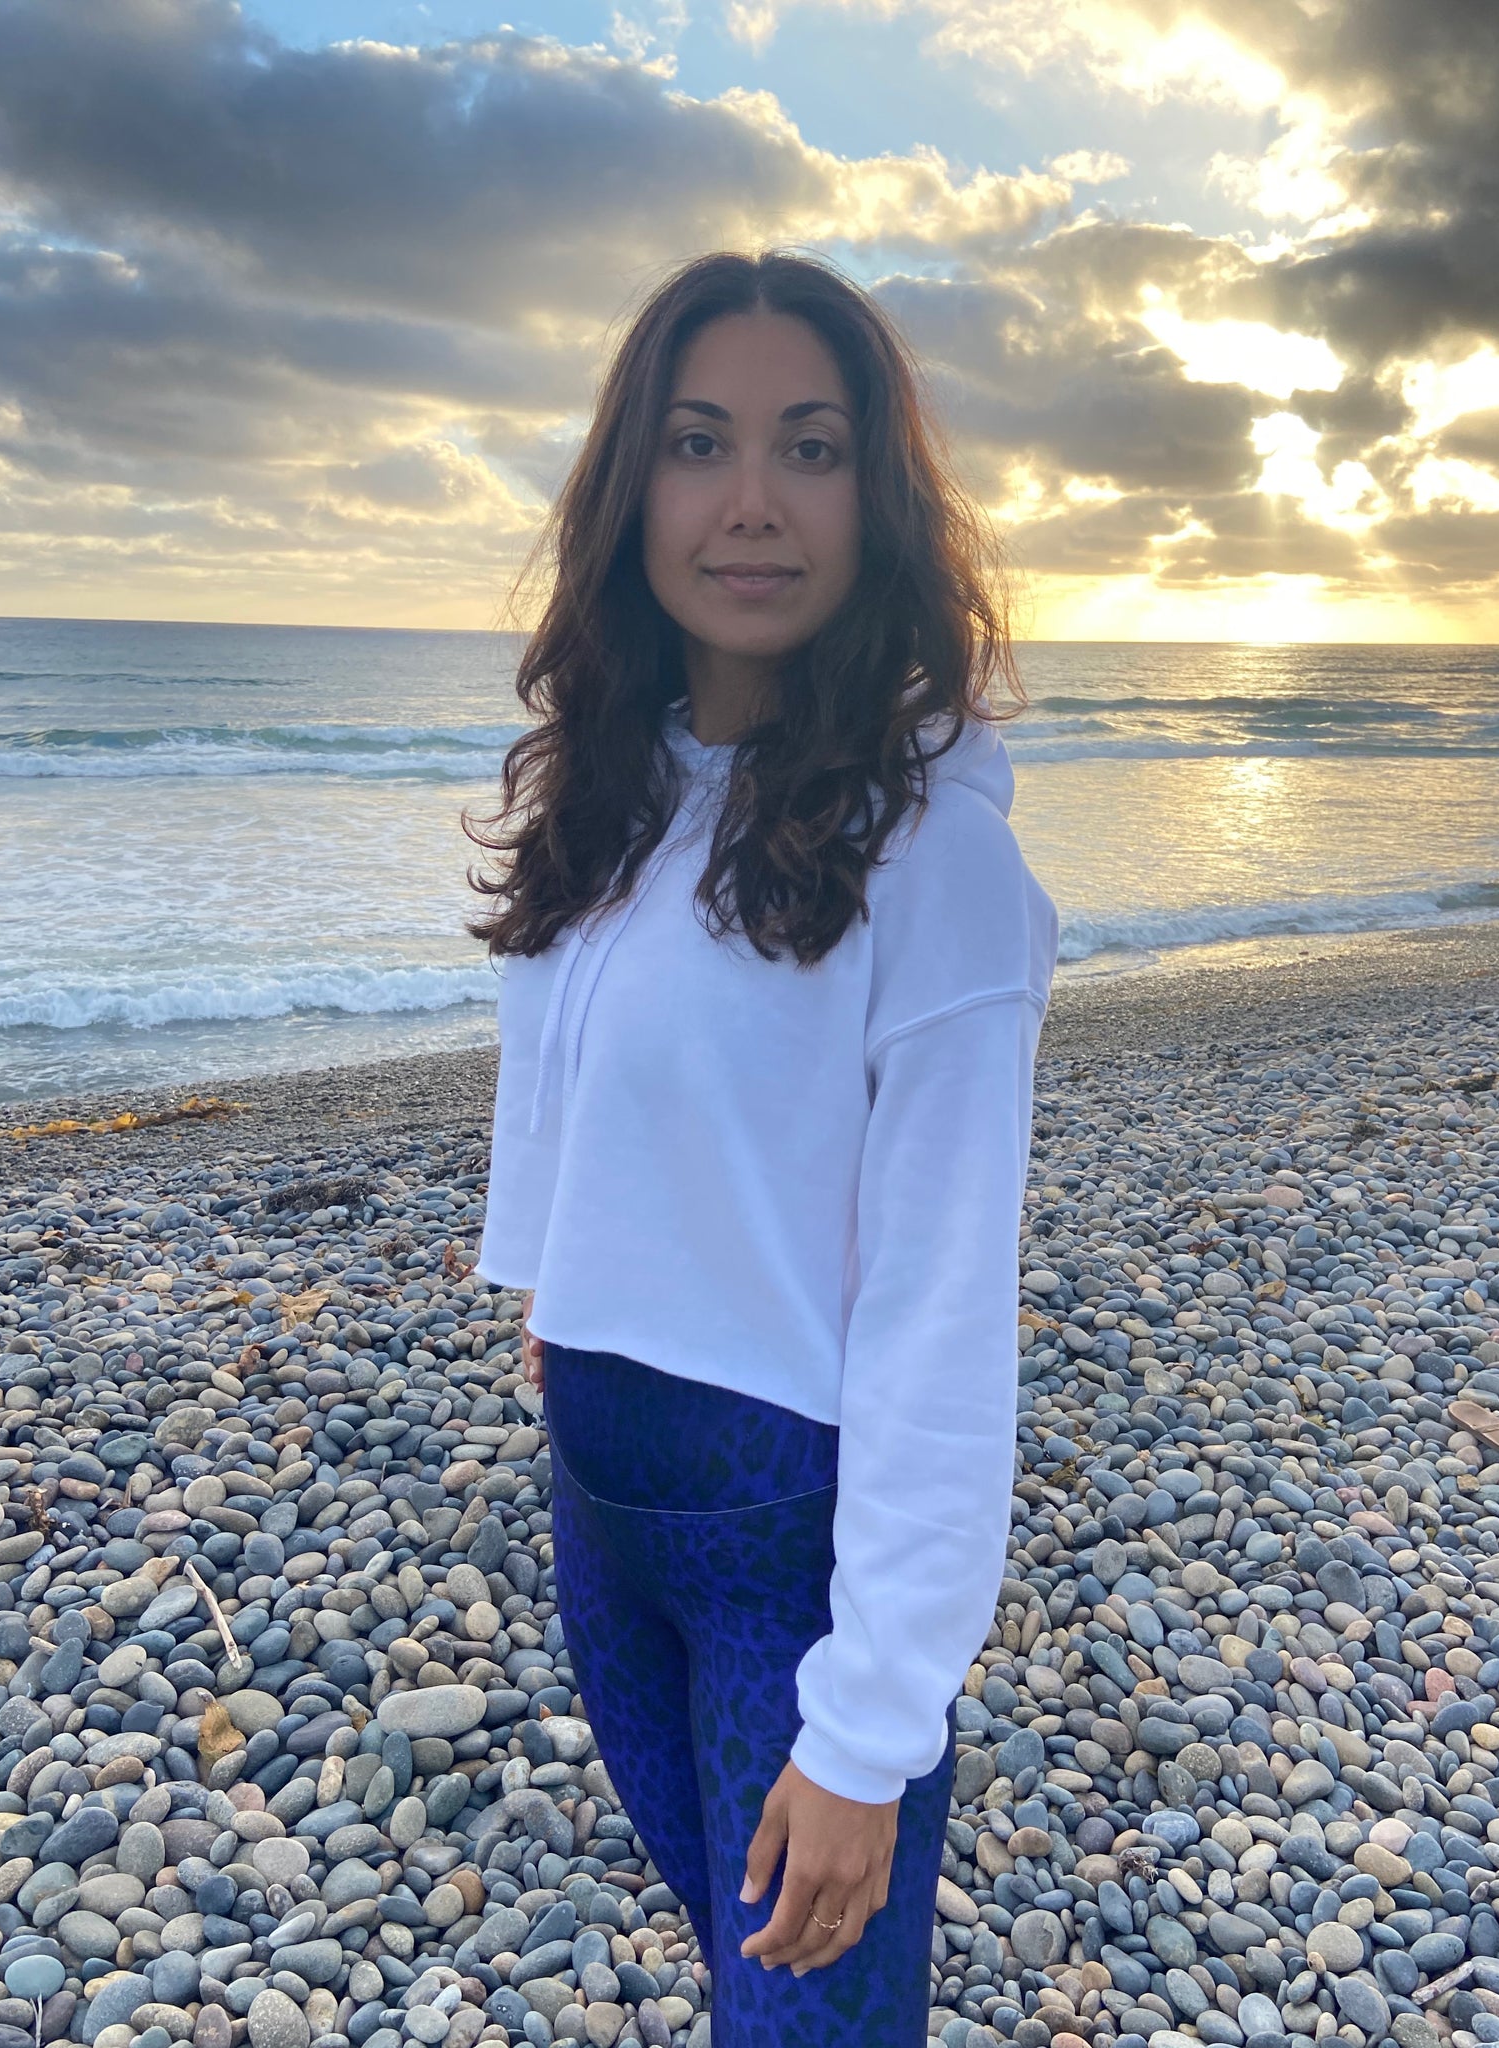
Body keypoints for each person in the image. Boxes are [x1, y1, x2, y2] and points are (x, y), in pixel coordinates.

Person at [464, 247, 1060, 2045]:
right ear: (630, 485)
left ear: (878, 500)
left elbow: (945, 1313)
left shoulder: (938, 862)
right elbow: (574, 1075)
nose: (750, 504)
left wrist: (871, 1727)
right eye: (698, 442)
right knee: (740, 1965)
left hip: (783, 1543)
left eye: (810, 448)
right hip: (602, 1508)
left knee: (807, 2017)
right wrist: (553, 1284)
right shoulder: (616, 787)